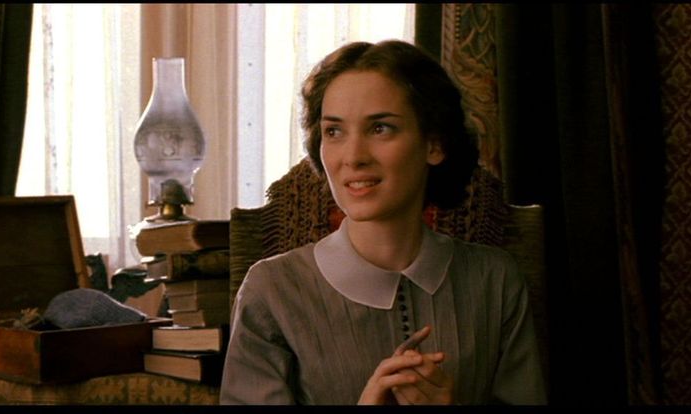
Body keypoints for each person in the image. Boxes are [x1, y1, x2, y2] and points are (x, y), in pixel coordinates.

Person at [219, 39, 547, 405]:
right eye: (334, 131)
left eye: (380, 129)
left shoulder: (496, 280)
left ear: (434, 144)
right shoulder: (270, 291)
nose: (353, 157)